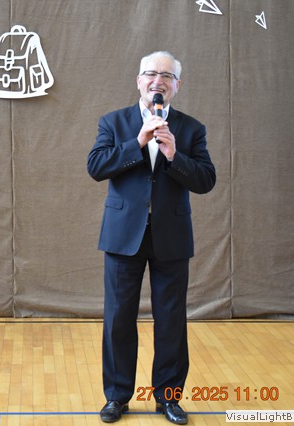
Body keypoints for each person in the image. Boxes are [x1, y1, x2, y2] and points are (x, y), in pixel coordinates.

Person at [87, 51, 216, 424]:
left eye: (166, 76)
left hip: (171, 236)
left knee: (171, 320)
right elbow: (96, 166)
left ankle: (169, 399)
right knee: (118, 319)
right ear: (139, 81)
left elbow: (206, 180)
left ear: (177, 85)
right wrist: (138, 143)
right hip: (122, 236)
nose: (158, 81)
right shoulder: (114, 122)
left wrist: (175, 156)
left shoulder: (191, 129)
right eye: (150, 74)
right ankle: (116, 397)